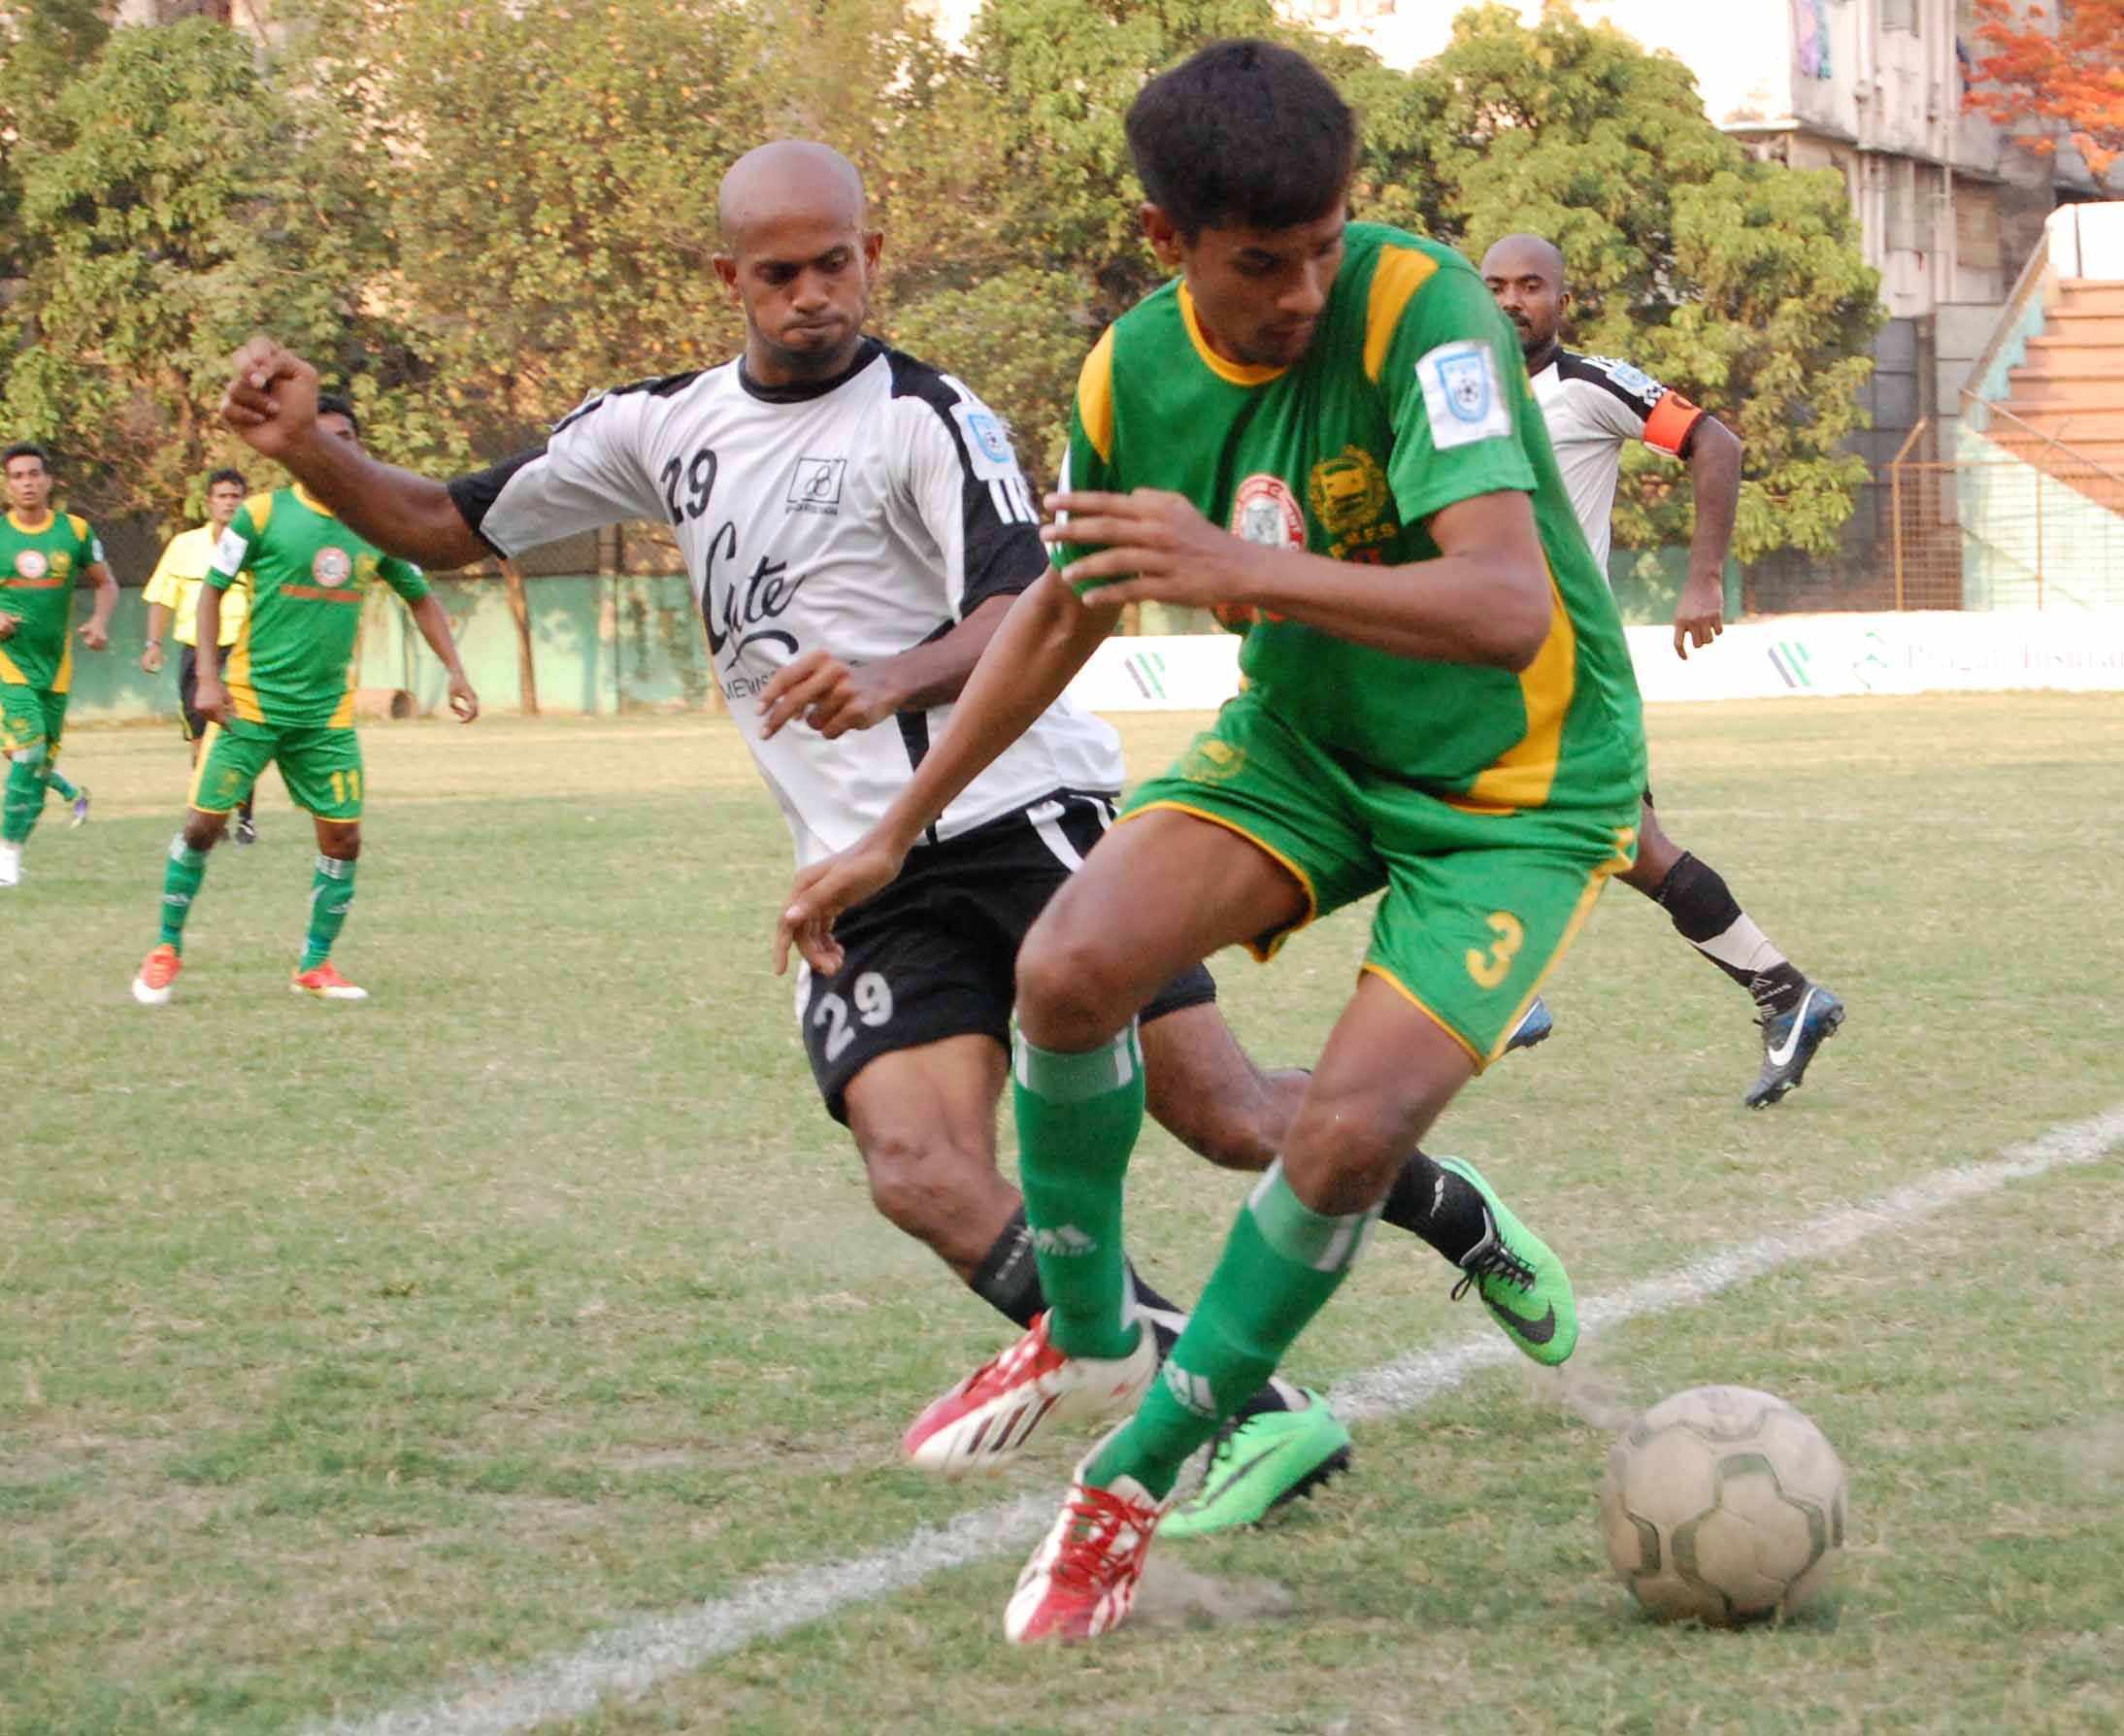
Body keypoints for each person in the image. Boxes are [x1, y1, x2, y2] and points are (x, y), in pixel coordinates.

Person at [210, 141, 1576, 1538]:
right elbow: (441, 523)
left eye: (835, 264)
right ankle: (1239, 1401)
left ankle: (1447, 1209)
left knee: (1223, 1116)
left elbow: (1031, 604)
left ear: (872, 255)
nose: (813, 294)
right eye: (780, 273)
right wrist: (309, 446)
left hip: (1017, 818)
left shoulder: (929, 416)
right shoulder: (657, 427)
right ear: (728, 278)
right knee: (919, 1172)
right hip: (859, 866)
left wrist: (891, 676)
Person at [775, 42, 1643, 1643]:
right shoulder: (1128, 378)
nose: (1304, 289)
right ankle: (1085, 1326)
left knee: (1340, 1141)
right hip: (1306, 745)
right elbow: (1063, 609)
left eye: (1324, 245)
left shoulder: (1428, 312)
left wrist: (1228, 567)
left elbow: (1504, 605)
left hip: (1517, 790)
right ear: (1167, 238)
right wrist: (897, 828)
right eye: (1261, 262)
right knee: (1066, 968)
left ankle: (1131, 1476)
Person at [1478, 233, 1844, 1108]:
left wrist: (1704, 576)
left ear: (1563, 299)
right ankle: (1786, 994)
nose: (1512, 301)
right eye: (1494, 286)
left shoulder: (1588, 385)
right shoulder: (1455, 398)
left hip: (1565, 659)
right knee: (1632, 847)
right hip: (1493, 659)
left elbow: (1717, 443)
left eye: (1531, 285)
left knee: (1419, 796)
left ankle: (1498, 993)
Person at [129, 396, 480, 1006]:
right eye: (323, 438)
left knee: (344, 839)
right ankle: (165, 949)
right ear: (300, 448)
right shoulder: (261, 515)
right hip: (249, 706)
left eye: (346, 438)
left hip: (324, 717)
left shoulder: (377, 525)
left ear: (359, 449)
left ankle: (314, 965)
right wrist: (207, 677)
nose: (335, 449)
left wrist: (456, 670)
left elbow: (420, 596)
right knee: (203, 826)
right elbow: (211, 592)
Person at [0, 441, 117, 885]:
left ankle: (13, 852)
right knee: (28, 750)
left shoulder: (75, 531)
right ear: (8, 485)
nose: (27, 483)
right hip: (9, 663)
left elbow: (105, 584)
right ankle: (4, 855)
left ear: (49, 480)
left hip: (56, 667)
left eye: (34, 474)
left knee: (41, 766)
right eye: (18, 476)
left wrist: (100, 622)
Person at [144, 467, 260, 843]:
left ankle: (245, 818)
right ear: (209, 502)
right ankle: (210, 818)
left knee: (240, 733)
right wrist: (153, 643)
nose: (229, 503)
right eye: (222, 496)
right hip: (196, 653)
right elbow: (162, 596)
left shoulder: (255, 546)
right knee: (199, 739)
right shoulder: (184, 546)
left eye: (235, 496)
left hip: (240, 651)